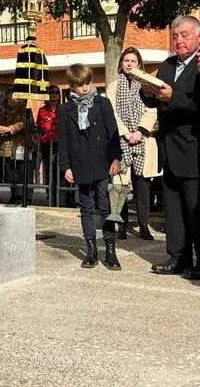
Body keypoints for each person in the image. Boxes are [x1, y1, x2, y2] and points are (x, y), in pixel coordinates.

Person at [141, 16, 200, 280]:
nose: (179, 40)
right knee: (173, 207)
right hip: (170, 146)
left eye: (185, 35)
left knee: (199, 207)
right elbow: (156, 102)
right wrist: (147, 91)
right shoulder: (167, 65)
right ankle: (178, 256)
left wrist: (172, 97)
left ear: (199, 37)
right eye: (175, 35)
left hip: (196, 147)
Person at [57, 64, 122, 269]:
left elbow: (113, 132)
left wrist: (116, 158)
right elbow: (64, 140)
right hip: (80, 163)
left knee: (105, 207)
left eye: (88, 83)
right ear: (72, 86)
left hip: (102, 161)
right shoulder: (66, 109)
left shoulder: (102, 103)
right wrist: (66, 165)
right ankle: (91, 249)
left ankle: (110, 250)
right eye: (80, 85)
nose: (85, 88)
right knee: (86, 207)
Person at [106, 47, 162, 240]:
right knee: (120, 184)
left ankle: (144, 225)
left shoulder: (146, 84)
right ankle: (120, 224)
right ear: (121, 63)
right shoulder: (113, 86)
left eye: (133, 61)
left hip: (142, 139)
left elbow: (152, 110)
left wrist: (140, 131)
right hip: (121, 139)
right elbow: (112, 111)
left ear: (139, 64)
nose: (129, 64)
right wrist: (126, 133)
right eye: (126, 60)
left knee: (142, 185)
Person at [0, 88, 30, 205]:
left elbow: (24, 123)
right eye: (9, 97)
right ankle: (14, 196)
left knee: (21, 172)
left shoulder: (24, 109)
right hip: (6, 147)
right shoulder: (4, 110)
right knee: (10, 173)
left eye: (13, 97)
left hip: (20, 144)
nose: (10, 100)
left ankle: (22, 197)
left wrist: (10, 128)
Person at [36, 85, 63, 205]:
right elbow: (38, 127)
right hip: (46, 144)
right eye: (51, 92)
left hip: (61, 145)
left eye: (56, 92)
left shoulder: (63, 109)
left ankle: (62, 199)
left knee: (61, 171)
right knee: (49, 171)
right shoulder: (42, 110)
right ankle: (50, 197)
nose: (54, 94)